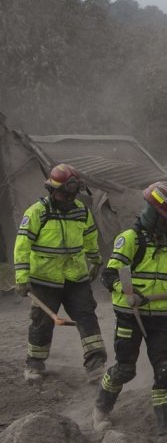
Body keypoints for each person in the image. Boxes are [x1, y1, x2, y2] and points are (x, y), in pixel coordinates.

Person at [93, 182, 167, 443]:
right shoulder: (129, 239)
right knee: (125, 370)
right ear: (153, 212)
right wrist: (126, 292)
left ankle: (166, 432)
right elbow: (108, 275)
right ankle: (100, 410)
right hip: (131, 314)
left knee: (166, 371)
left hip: (160, 315)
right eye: (166, 219)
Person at [12, 164, 107, 382]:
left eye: (73, 193)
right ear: (54, 191)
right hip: (44, 279)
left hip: (76, 277)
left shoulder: (82, 211)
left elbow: (90, 238)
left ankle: (95, 366)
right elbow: (22, 245)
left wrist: (95, 261)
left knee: (87, 318)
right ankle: (34, 365)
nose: (70, 198)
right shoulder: (37, 212)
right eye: (66, 193)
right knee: (41, 322)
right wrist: (22, 278)